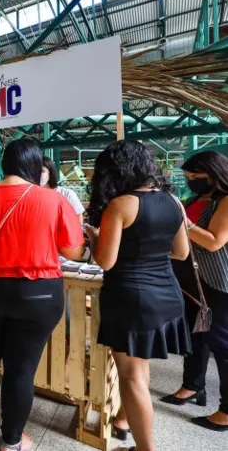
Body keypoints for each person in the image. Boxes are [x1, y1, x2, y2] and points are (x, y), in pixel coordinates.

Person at [0, 138, 84, 451]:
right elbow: (73, 250)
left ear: (3, 163)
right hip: (37, 295)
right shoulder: (53, 201)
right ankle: (11, 440)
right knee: (21, 367)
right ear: (36, 167)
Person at [85, 140, 190, 451]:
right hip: (167, 295)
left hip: (131, 298)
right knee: (139, 372)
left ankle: (145, 449)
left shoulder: (120, 205)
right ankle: (131, 431)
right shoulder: (174, 202)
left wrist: (94, 237)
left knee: (131, 378)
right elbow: (181, 252)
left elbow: (105, 261)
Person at [161, 150, 228, 432]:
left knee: (222, 344)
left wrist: (182, 222)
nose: (191, 181)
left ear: (213, 173)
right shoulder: (198, 199)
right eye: (187, 177)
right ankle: (192, 385)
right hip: (192, 280)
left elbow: (214, 242)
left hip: (218, 282)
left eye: (195, 176)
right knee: (196, 336)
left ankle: (226, 411)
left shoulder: (225, 201)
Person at [41, 157, 84, 223]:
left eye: (42, 171)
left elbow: (78, 216)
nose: (37, 174)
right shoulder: (30, 196)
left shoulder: (67, 194)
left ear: (50, 172)